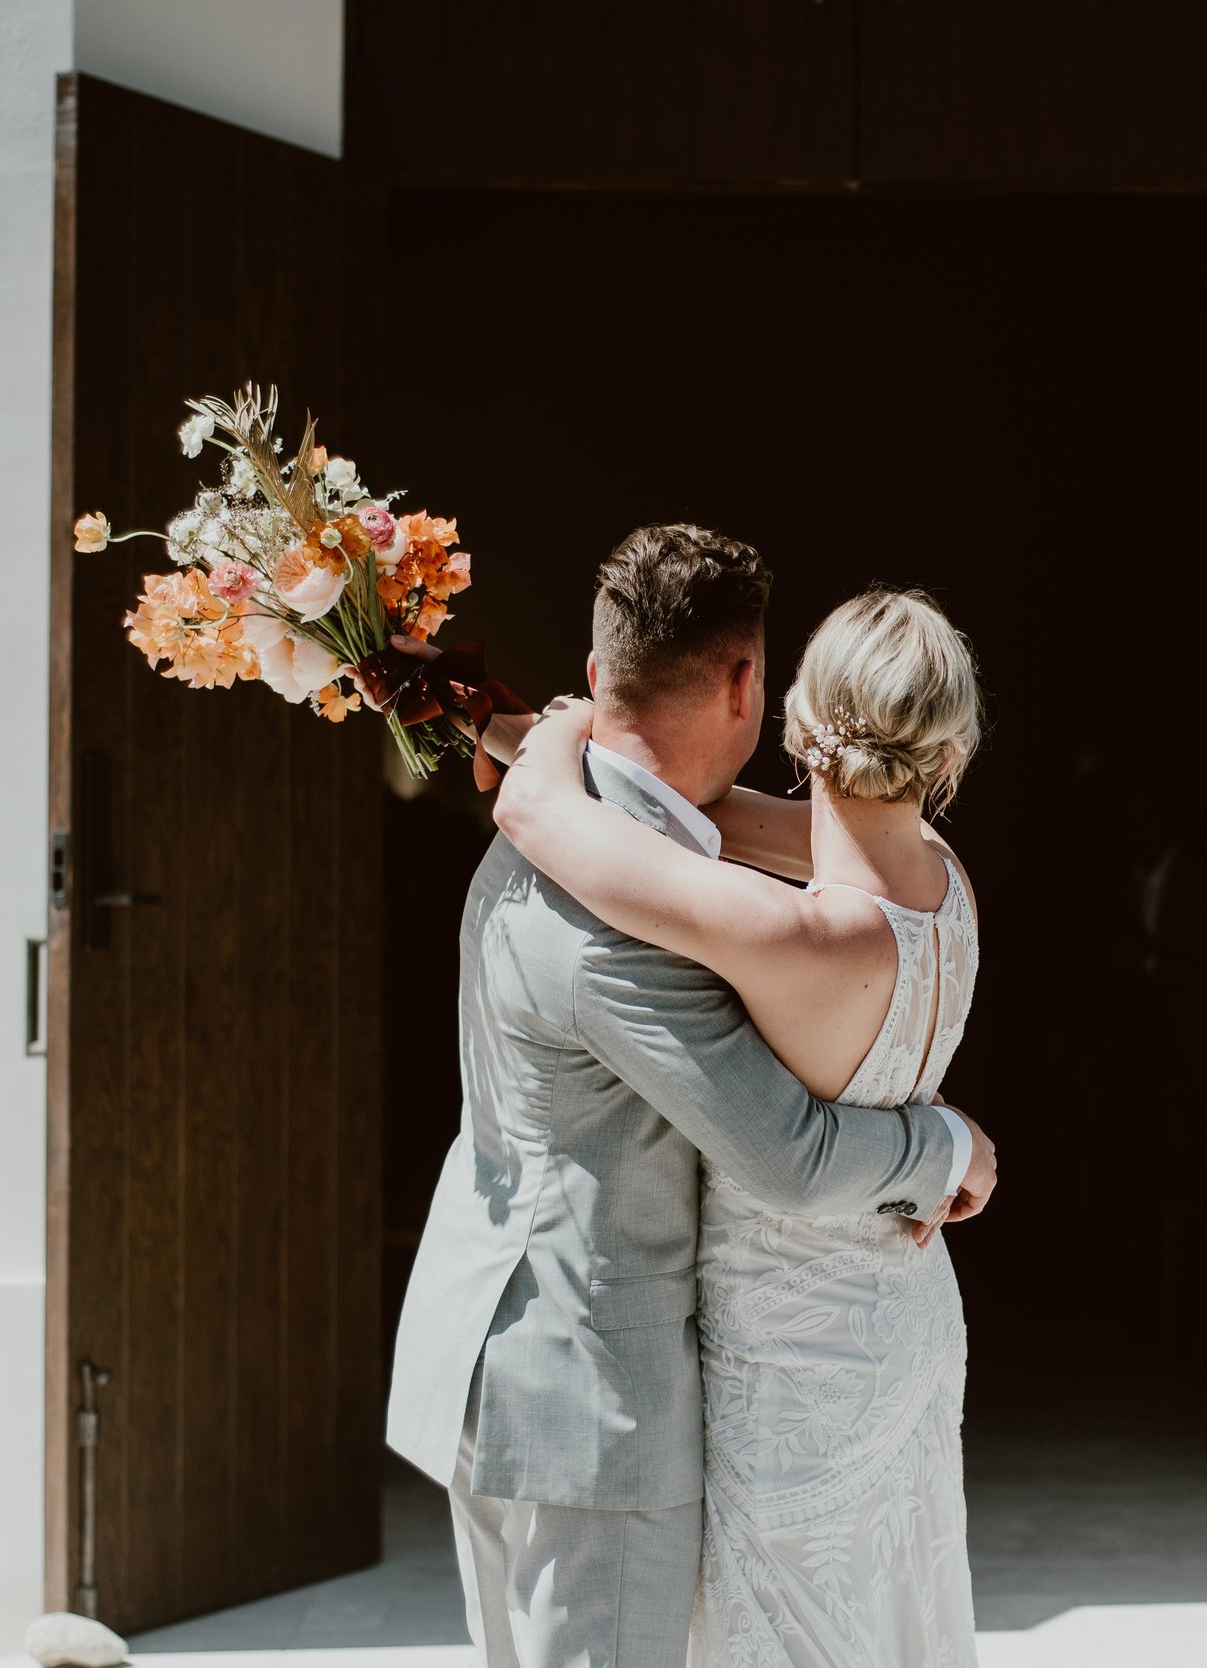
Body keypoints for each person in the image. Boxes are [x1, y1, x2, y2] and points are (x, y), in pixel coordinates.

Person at [373, 525, 998, 1668]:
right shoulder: (940, 880)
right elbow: (787, 1149)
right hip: (831, 1339)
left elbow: (550, 818)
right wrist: (946, 1142)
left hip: (734, 1357)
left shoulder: (751, 911)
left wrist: (533, 735)